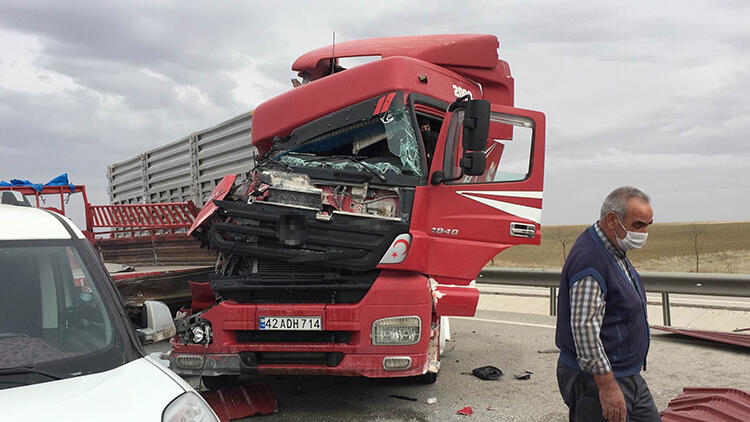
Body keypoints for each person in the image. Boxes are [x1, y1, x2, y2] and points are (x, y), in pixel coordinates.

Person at [555, 186, 660, 422]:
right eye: (638, 225)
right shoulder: (591, 260)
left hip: (626, 375)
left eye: (647, 225)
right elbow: (585, 329)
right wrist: (607, 386)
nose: (643, 233)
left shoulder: (612, 249)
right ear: (612, 220)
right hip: (599, 379)